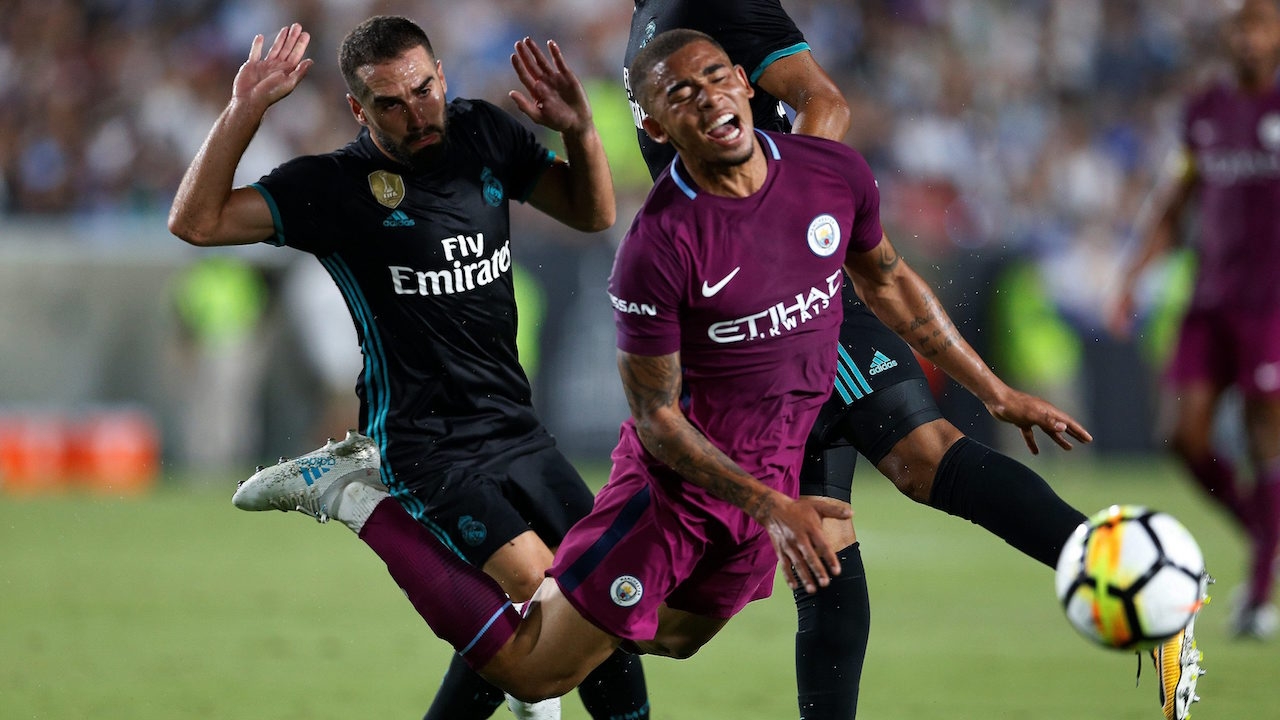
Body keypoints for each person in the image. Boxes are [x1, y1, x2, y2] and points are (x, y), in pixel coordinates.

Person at [624, 4, 1206, 720]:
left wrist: (779, 222)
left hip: (784, 303)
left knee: (923, 459)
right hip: (735, 324)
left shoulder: (715, 4)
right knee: (821, 546)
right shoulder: (650, 20)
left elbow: (824, 102)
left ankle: (1151, 594)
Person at [166, 17, 650, 720]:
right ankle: (357, 493)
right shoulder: (335, 186)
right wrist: (245, 109)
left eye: (424, 90)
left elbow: (592, 211)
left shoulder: (484, 134)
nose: (416, 113)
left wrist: (579, 130)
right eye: (390, 103)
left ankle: (531, 691)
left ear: (442, 75)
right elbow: (196, 222)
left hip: (516, 428)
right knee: (555, 594)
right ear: (358, 109)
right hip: (427, 446)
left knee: (608, 603)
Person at [1109, 0, 1280, 642]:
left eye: (1260, 25)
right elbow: (1175, 202)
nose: (1248, 37)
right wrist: (1132, 275)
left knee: (1266, 434)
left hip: (1272, 304)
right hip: (1210, 299)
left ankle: (1258, 597)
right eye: (1241, 26)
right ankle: (1267, 533)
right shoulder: (1204, 111)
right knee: (1182, 436)